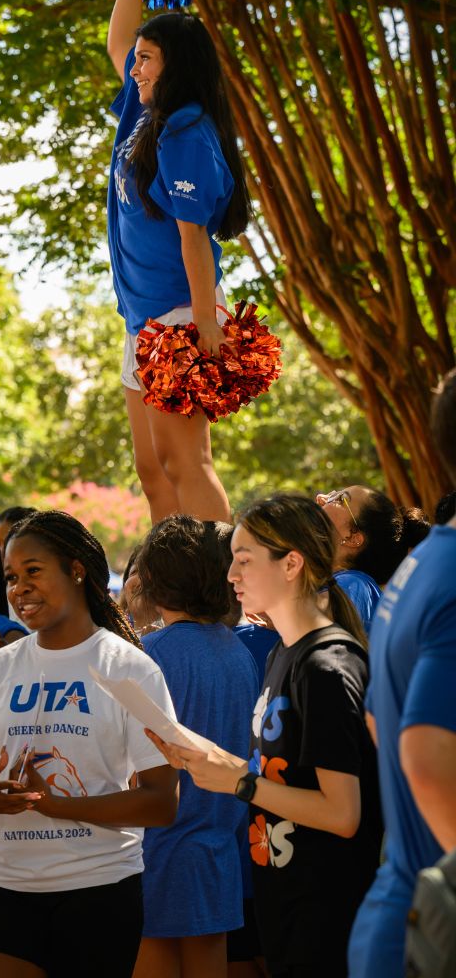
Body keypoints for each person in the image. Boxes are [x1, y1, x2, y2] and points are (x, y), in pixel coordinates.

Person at [147, 494, 382, 978]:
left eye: (244, 560)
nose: (231, 574)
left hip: (328, 916)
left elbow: (343, 814)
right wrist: (205, 758)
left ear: (291, 564)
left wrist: (238, 780)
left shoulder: (325, 666)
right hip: (284, 907)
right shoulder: (279, 655)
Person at [0, 510, 179, 978]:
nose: (19, 589)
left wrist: (59, 807)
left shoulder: (130, 668)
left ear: (76, 571)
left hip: (99, 888)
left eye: (33, 571)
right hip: (7, 885)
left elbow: (161, 803)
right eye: (11, 578)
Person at [106, 0, 251, 524]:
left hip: (179, 313)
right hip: (141, 318)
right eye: (138, 58)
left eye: (146, 58)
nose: (134, 66)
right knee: (151, 468)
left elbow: (193, 238)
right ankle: (173, 571)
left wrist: (205, 323)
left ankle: (220, 572)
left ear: (176, 65)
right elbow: (118, 40)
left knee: (184, 461)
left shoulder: (185, 131)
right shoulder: (144, 111)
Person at [348, 370, 456, 978]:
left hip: (402, 910)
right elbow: (424, 755)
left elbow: (377, 719)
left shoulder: (422, 566)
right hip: (431, 930)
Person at [133, 516, 259, 978]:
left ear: (154, 578)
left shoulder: (150, 653)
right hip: (220, 849)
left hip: (158, 852)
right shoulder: (239, 652)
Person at [316, 486, 423, 629]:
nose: (321, 498)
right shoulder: (328, 583)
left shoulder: (354, 585)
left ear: (352, 538)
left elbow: (300, 622)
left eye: (340, 499)